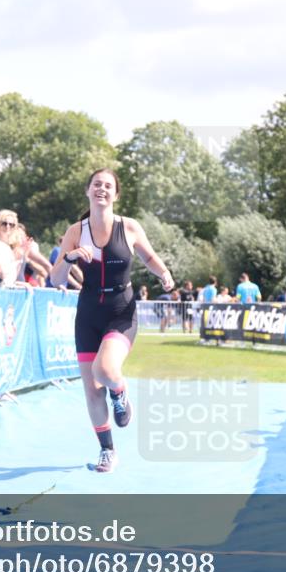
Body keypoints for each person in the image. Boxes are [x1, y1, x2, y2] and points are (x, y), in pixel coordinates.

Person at [49, 168, 174, 473]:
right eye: (96, 185)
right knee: (92, 390)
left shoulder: (129, 227)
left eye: (108, 186)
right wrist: (68, 257)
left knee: (104, 370)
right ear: (88, 191)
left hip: (121, 310)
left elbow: (149, 257)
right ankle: (107, 451)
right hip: (89, 312)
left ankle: (120, 392)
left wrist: (165, 274)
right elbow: (56, 280)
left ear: (116, 194)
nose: (101, 189)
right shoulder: (75, 231)